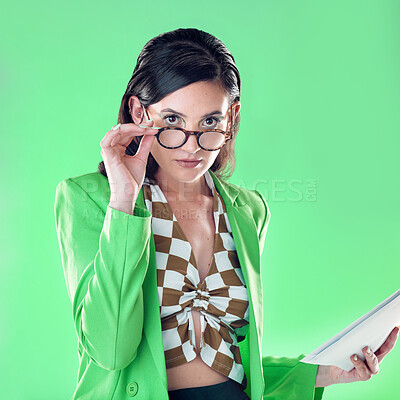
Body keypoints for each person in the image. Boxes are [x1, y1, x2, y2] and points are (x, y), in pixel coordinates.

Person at [54, 28, 399, 400]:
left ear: (231, 117)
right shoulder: (89, 198)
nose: (192, 147)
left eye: (209, 123)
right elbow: (110, 349)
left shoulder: (248, 210)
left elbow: (235, 357)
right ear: (140, 112)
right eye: (172, 121)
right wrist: (124, 201)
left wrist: (325, 372)